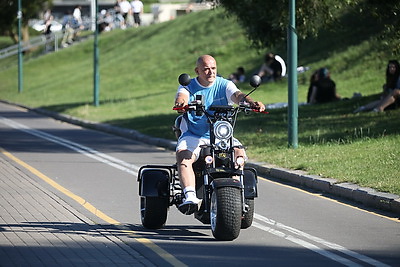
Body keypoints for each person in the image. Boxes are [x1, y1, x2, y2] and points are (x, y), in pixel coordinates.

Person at [173, 55, 265, 215]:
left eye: (213, 68)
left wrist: (251, 103)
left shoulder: (225, 84)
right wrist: (181, 104)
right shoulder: (188, 87)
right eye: (206, 69)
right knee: (184, 156)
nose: (210, 72)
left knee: (239, 154)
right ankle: (190, 197)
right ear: (197, 71)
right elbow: (182, 97)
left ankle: (238, 195)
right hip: (194, 135)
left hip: (221, 135)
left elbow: (238, 95)